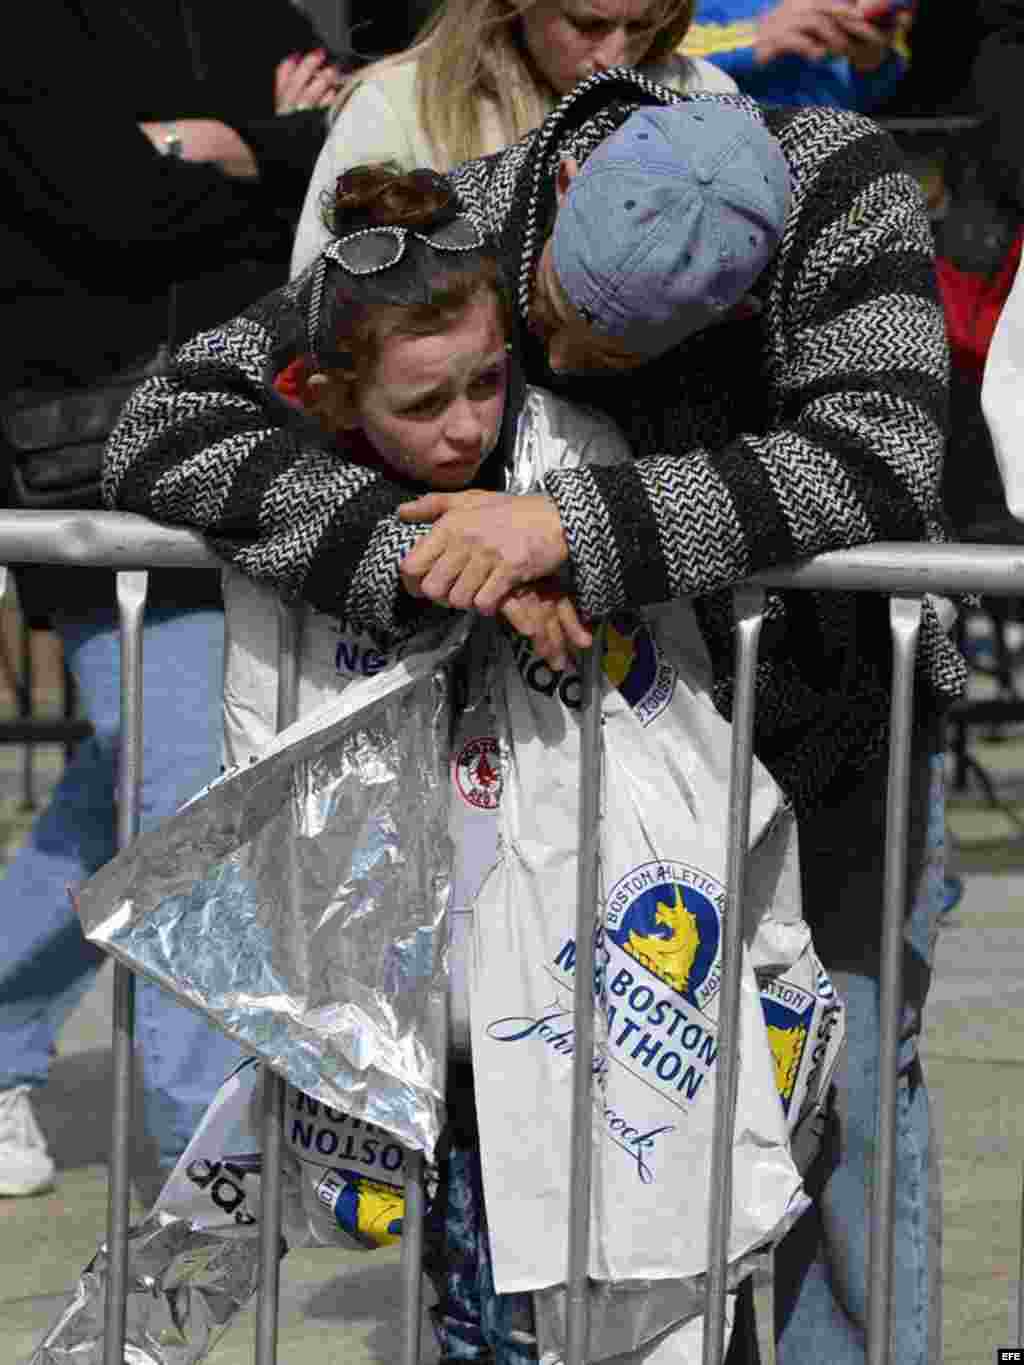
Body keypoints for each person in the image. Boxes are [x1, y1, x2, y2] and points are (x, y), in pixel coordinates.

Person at [102, 74, 961, 1365]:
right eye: (556, 329)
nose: (559, 379)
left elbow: (885, 453)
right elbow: (169, 419)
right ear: (557, 204)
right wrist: (407, 553)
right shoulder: (467, 225)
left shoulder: (845, 189)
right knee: (595, 1132)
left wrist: (571, 528)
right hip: (589, 769)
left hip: (831, 729)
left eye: (620, 365)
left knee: (828, 1103)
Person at [0, 0, 346, 1200]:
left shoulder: (258, 10)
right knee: (181, 791)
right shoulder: (31, 28)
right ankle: (209, 1147)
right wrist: (272, 149)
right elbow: (101, 210)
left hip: (273, 458)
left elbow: (353, 174)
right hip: (97, 470)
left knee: (138, 790)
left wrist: (225, 143)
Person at [290, 0, 738, 275]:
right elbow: (322, 306)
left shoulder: (702, 94)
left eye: (641, 26)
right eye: (587, 25)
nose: (615, 57)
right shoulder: (398, 106)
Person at [678, 0, 913, 110]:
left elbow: (878, 82)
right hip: (698, 161)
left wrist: (875, 59)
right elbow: (648, 56)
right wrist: (753, 37)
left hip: (822, 168)